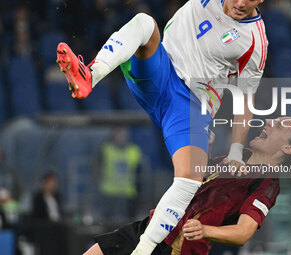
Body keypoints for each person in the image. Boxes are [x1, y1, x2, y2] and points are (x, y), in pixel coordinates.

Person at [56, 0, 268, 253]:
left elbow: (245, 99)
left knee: (190, 179)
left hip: (190, 105)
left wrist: (235, 152)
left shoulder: (255, 40)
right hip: (160, 71)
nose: (242, 3)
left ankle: (142, 250)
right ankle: (91, 73)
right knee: (145, 23)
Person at [82, 110, 291, 255]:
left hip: (177, 248)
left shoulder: (266, 183)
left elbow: (244, 232)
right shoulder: (234, 158)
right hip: (153, 225)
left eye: (279, 125)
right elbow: (191, 178)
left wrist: (205, 231)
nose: (268, 122)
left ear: (288, 147)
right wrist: (204, 146)